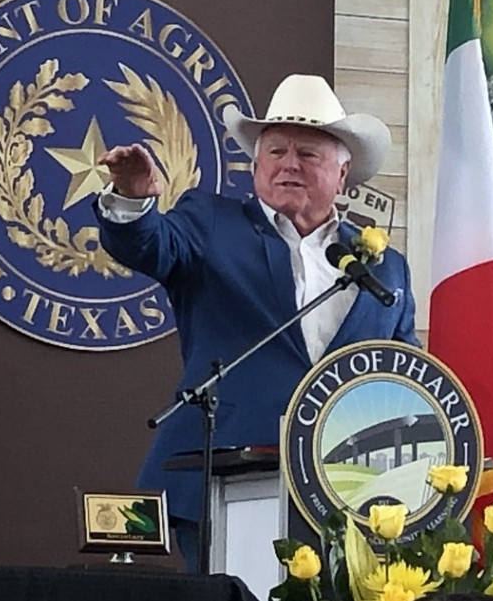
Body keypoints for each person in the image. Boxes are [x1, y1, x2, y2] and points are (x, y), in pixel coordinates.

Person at [93, 74, 420, 572]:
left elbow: (404, 380)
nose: (289, 164)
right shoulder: (211, 222)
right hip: (230, 483)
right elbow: (148, 244)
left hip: (348, 494)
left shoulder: (384, 267)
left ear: (343, 171)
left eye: (307, 153)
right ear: (256, 164)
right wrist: (133, 200)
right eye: (276, 152)